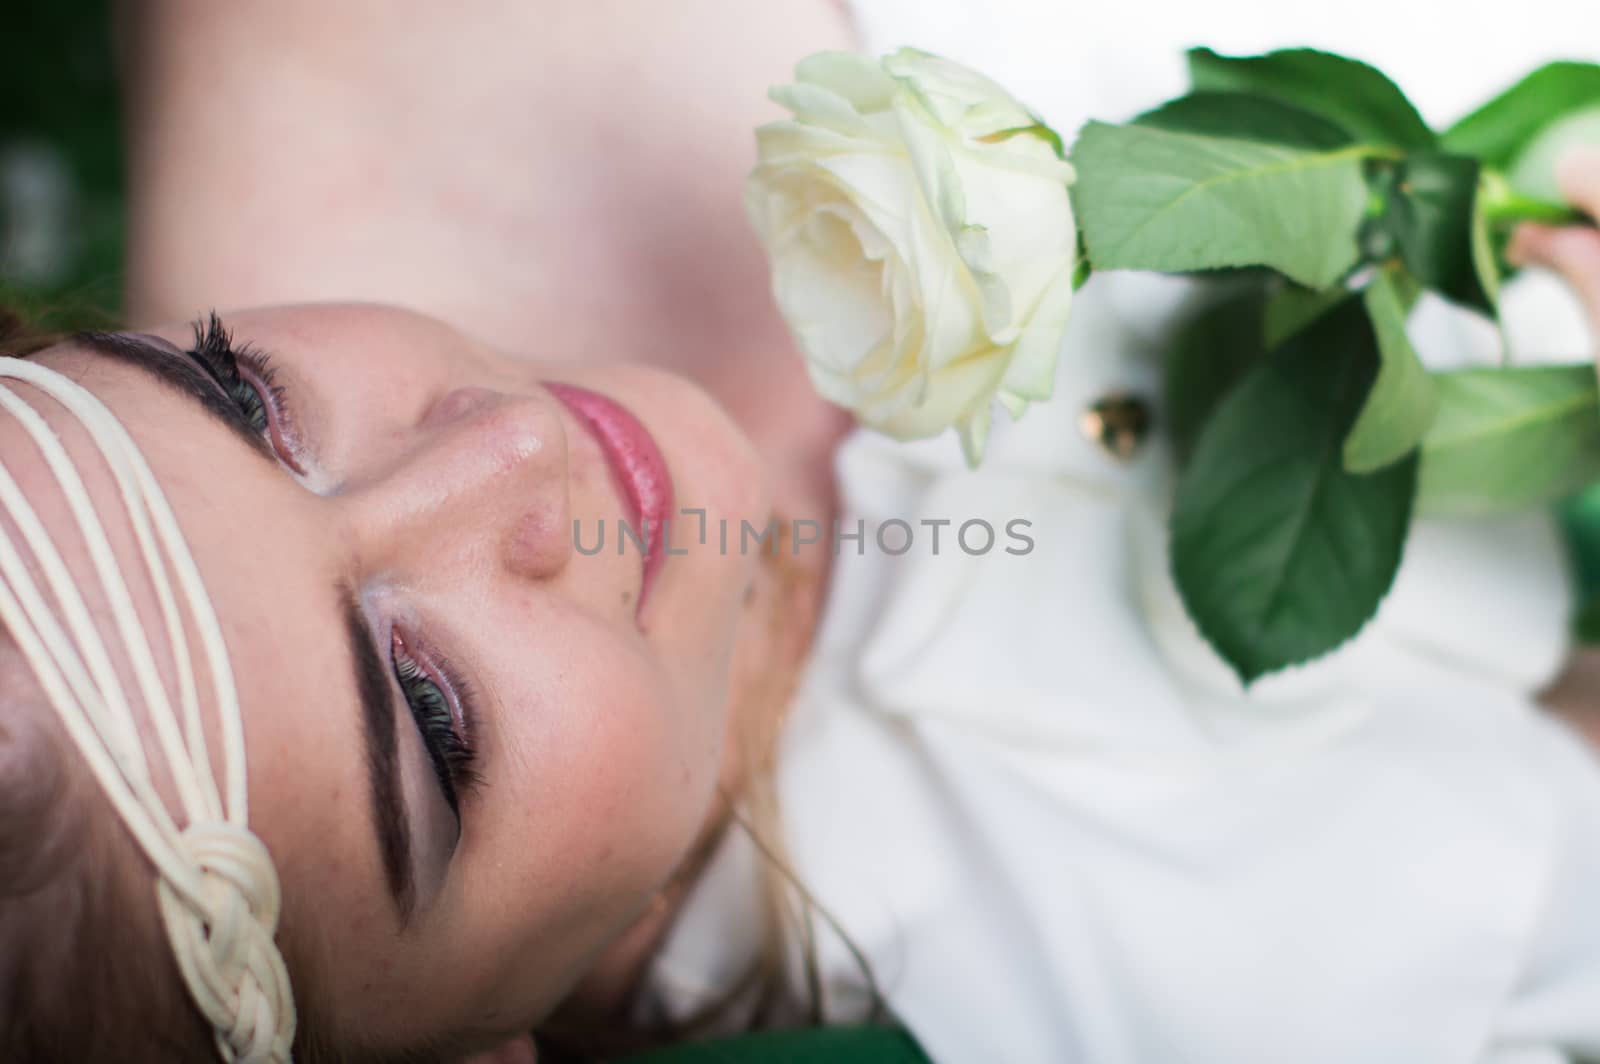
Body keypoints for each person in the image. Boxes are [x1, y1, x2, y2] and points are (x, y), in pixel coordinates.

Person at [2, 3, 1599, 1063]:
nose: (505, 449)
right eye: (432, 714)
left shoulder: (362, 56)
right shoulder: (1197, 992)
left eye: (244, 400)